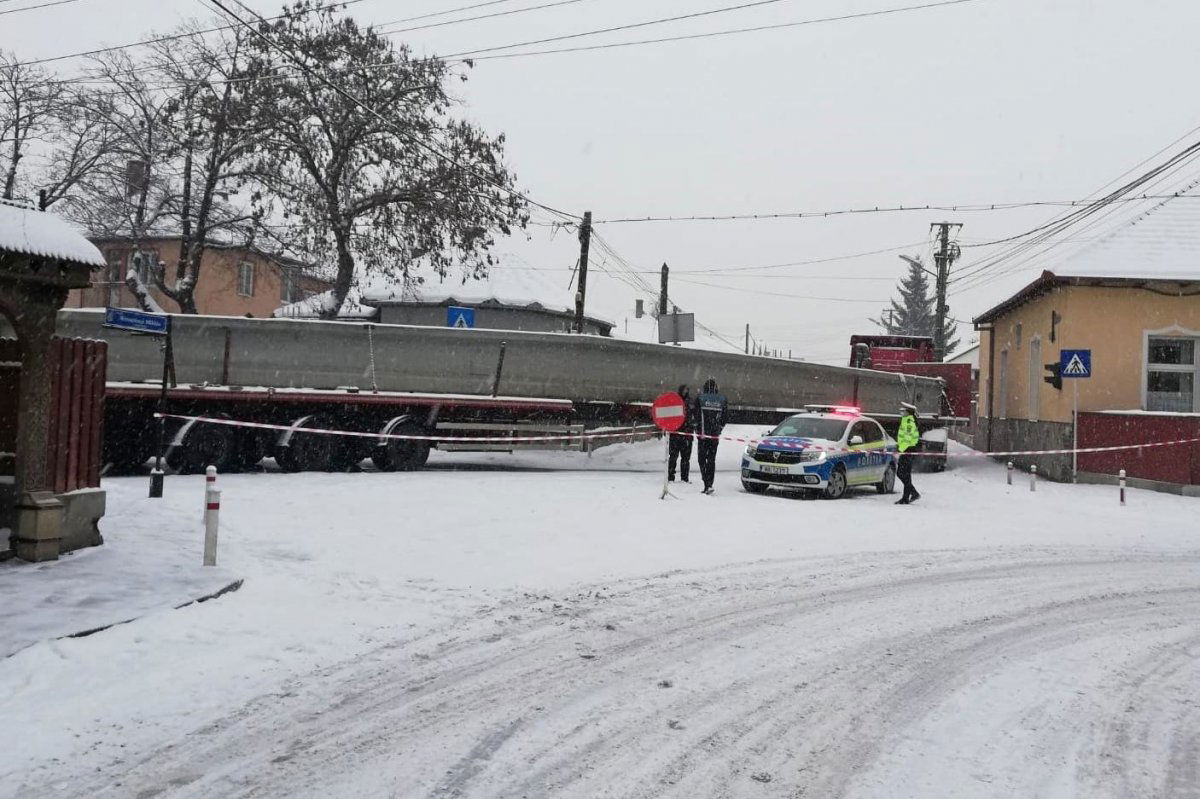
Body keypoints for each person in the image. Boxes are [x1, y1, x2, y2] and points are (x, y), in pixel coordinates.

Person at [693, 377, 728, 495]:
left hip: (703, 435)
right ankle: (710, 483)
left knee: (702, 459)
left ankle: (706, 483)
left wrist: (697, 429)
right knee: (711, 460)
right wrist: (719, 429)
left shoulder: (700, 398)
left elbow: (696, 416)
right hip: (714, 436)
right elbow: (725, 417)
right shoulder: (722, 399)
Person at [895, 401, 921, 505]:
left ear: (908, 412)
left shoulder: (909, 422)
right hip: (906, 450)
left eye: (903, 411)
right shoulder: (906, 420)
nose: (902, 412)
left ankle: (910, 495)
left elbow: (908, 438)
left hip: (908, 450)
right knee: (905, 474)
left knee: (901, 473)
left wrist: (901, 449)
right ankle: (910, 495)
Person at [667, 384, 694, 483]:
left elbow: (694, 416)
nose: (686, 391)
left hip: (686, 435)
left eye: (687, 389)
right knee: (673, 457)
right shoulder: (674, 400)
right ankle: (670, 477)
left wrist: (691, 427)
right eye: (684, 389)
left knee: (686, 458)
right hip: (675, 433)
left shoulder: (691, 402)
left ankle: (684, 478)